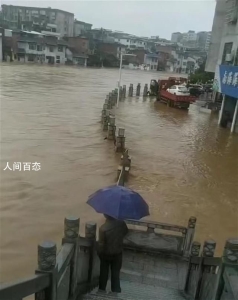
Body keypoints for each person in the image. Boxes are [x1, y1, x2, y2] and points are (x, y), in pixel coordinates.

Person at [97, 214, 128, 294]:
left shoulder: (103, 229)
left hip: (105, 254)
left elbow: (101, 245)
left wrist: (99, 254)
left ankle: (101, 290)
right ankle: (116, 291)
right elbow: (125, 232)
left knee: (103, 273)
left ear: (105, 216)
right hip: (118, 253)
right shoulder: (121, 223)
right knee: (115, 273)